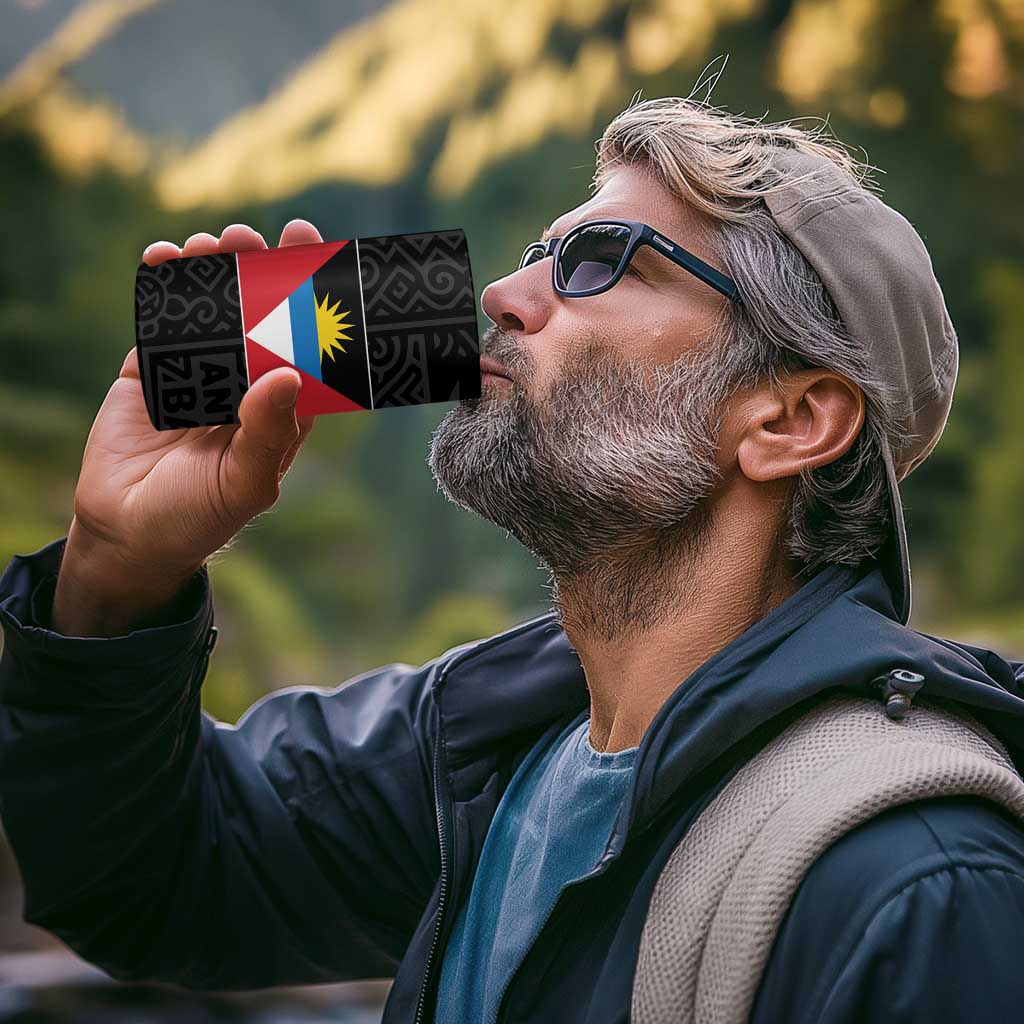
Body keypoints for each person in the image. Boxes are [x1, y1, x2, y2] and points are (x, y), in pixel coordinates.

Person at [2, 95, 1024, 1024]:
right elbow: (149, 880)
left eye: (599, 261)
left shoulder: (918, 884)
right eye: (540, 252)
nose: (501, 291)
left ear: (791, 419)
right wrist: (116, 571)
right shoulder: (479, 749)